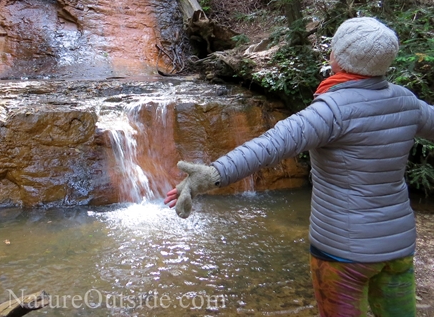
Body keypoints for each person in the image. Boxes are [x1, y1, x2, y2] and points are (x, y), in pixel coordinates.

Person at [164, 17, 434, 317]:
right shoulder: (407, 102)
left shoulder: (332, 110)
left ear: (339, 59)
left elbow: (270, 145)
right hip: (398, 247)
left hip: (342, 252)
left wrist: (213, 174)